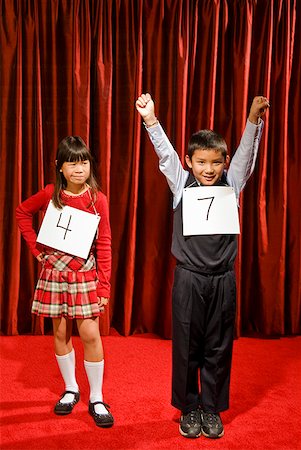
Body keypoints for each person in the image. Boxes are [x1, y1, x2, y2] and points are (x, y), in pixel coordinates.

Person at [135, 93, 269, 439]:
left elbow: (245, 157)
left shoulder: (232, 184)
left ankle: (211, 409)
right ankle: (189, 407)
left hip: (223, 280)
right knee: (187, 345)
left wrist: (254, 119)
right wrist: (151, 120)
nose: (208, 170)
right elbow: (165, 156)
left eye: (215, 163)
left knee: (219, 347)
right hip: (189, 280)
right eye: (201, 162)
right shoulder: (181, 185)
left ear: (223, 163)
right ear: (190, 162)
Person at [16, 136, 114, 428]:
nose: (78, 168)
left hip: (84, 274)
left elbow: (105, 243)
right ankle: (71, 389)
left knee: (91, 335)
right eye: (71, 162)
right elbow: (23, 212)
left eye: (83, 162)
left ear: (90, 165)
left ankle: (96, 397)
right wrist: (36, 250)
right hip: (54, 273)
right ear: (59, 167)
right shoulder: (50, 194)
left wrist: (103, 285)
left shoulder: (98, 200)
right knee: (60, 334)